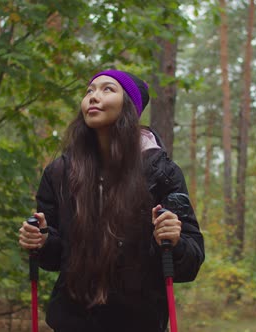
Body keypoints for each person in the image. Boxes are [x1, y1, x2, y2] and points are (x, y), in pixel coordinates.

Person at [18, 69, 205, 332]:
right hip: (73, 323)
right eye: (89, 91)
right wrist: (41, 241)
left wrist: (175, 241)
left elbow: (191, 261)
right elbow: (53, 259)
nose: (94, 97)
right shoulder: (60, 173)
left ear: (129, 106)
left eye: (107, 89)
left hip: (139, 322)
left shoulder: (162, 174)